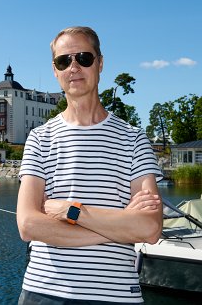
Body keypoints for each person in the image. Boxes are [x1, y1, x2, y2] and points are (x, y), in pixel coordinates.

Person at [16, 26, 163, 304]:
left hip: (116, 296)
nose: (74, 67)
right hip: (44, 293)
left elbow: (149, 229)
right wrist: (117, 228)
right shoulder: (39, 138)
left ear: (100, 63)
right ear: (55, 70)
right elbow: (28, 225)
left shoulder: (133, 139)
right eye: (64, 61)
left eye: (83, 57)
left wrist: (70, 211)